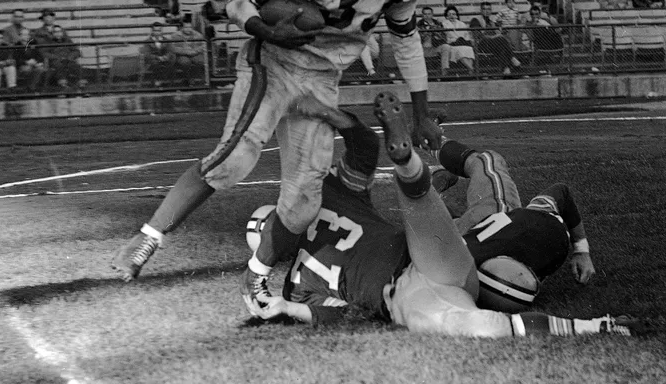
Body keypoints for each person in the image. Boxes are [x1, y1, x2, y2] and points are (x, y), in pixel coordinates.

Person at [110, 0, 442, 316]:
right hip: (274, 61)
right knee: (234, 159)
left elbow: (407, 40)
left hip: (323, 77)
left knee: (305, 200)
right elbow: (241, 2)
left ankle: (257, 274)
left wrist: (421, 113)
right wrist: (266, 30)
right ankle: (148, 238)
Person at [257, 92, 632, 339]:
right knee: (419, 205)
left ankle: (593, 326)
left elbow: (347, 317)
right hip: (434, 254)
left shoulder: (295, 284)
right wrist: (327, 112)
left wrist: (289, 307)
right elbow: (364, 145)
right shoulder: (330, 197)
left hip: (403, 292)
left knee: (478, 325)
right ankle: (409, 166)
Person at [40, 23, 85, 90]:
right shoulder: (48, 42)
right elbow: (44, 53)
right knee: (59, 66)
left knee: (76, 66)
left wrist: (70, 57)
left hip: (68, 60)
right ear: (52, 33)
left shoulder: (67, 41)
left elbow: (77, 51)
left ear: (62, 32)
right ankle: (63, 85)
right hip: (56, 62)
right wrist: (57, 57)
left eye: (59, 31)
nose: (58, 33)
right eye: (55, 32)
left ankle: (81, 85)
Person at [439, 5, 475, 75]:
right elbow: (447, 35)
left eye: (453, 14)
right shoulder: (444, 24)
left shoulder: (462, 24)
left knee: (469, 48)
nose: (452, 16)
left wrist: (463, 39)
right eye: (449, 14)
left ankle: (471, 71)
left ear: (457, 16)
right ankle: (472, 69)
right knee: (460, 50)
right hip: (452, 44)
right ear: (446, 16)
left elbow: (466, 35)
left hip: (462, 43)